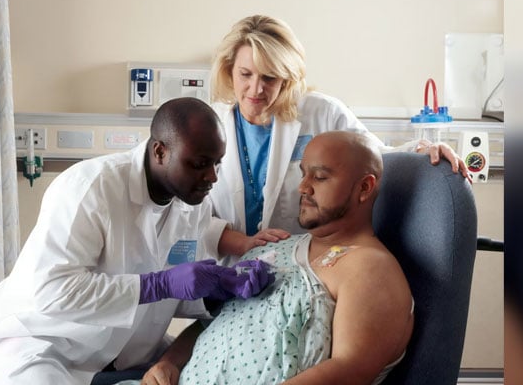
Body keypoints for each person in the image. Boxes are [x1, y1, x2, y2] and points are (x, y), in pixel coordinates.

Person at [0, 97, 275, 385]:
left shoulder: (193, 206)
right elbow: (52, 292)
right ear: (160, 152)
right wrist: (157, 283)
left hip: (125, 353)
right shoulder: (90, 187)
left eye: (217, 164)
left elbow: (167, 294)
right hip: (45, 344)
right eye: (200, 164)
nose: (212, 176)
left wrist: (214, 291)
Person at [139, 131, 414, 385]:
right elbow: (214, 321)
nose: (303, 188)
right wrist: (169, 363)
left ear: (365, 188)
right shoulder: (274, 247)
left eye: (319, 177)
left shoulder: (369, 268)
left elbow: (350, 370)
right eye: (304, 174)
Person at [207, 14, 469, 237]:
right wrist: (236, 243)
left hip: (297, 267)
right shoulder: (211, 123)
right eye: (245, 74)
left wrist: (423, 149)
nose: (256, 89)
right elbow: (192, 213)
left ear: (286, 78)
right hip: (227, 267)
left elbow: (375, 157)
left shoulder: (321, 112)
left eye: (269, 77)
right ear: (229, 70)